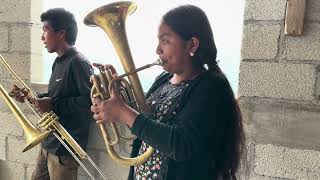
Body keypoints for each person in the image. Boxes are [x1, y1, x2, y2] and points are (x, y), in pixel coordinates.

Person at [91, 4, 245, 180]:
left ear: (192, 45)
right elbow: (145, 126)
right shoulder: (163, 79)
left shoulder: (212, 86)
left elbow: (181, 144)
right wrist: (120, 98)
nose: (158, 49)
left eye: (165, 41)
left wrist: (123, 112)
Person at [10, 8, 92, 180]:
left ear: (61, 33)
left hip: (64, 151)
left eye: (45, 30)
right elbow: (56, 95)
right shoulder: (58, 62)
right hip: (48, 142)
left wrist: (53, 104)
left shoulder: (78, 62)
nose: (42, 37)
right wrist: (32, 96)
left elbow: (89, 102)